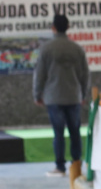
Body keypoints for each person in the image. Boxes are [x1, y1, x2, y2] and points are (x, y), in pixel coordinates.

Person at [33, 14, 90, 179]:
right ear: (68, 27)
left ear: (53, 28)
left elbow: (40, 74)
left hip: (53, 97)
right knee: (75, 132)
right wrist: (83, 94)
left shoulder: (46, 49)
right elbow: (85, 74)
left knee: (58, 133)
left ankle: (60, 167)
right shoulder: (77, 49)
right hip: (73, 97)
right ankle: (76, 166)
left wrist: (37, 94)